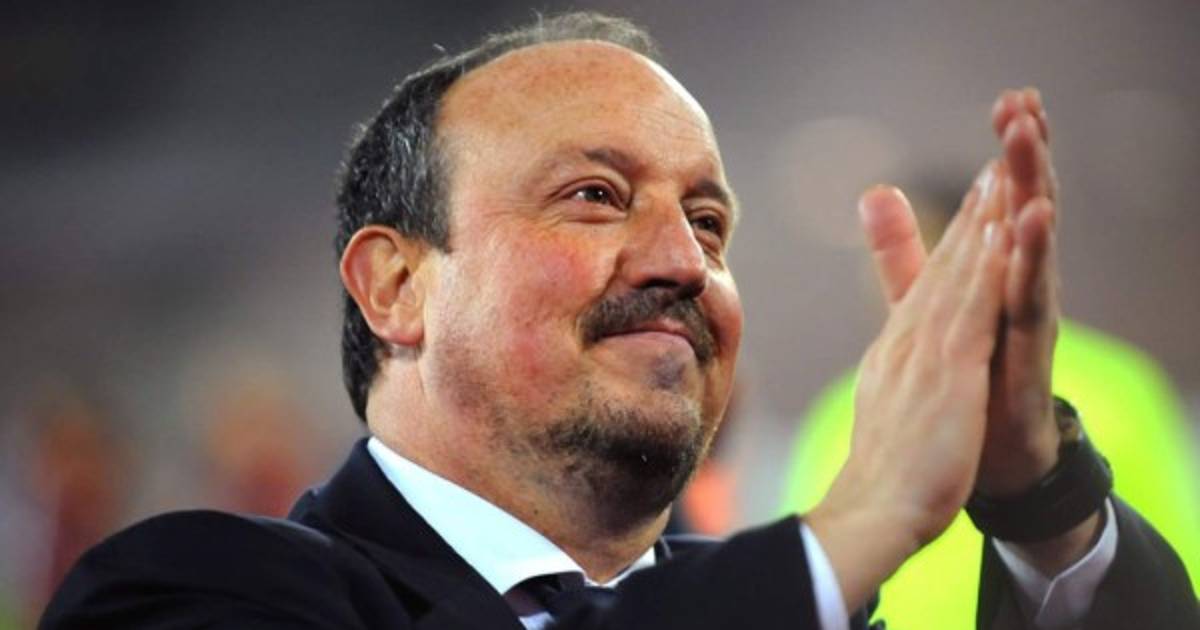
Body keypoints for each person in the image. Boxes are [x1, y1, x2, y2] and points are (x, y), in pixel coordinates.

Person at [41, 12, 1197, 629]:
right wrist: (850, 530)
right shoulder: (188, 590)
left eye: (710, 220)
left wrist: (1043, 501)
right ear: (396, 287)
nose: (685, 261)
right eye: (595, 195)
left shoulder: (794, 604)